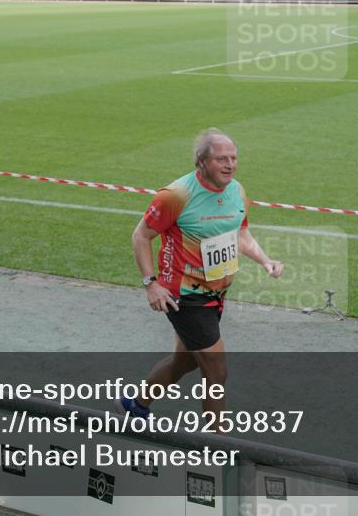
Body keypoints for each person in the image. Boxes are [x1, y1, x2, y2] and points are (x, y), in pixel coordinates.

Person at [121, 128, 283, 426]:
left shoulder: (237, 191)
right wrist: (150, 284)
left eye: (233, 158)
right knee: (216, 372)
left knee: (184, 362)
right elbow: (141, 236)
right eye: (221, 159)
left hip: (216, 295)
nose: (230, 164)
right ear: (202, 162)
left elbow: (241, 234)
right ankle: (213, 448)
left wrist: (265, 260)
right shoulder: (176, 196)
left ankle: (136, 403)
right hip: (184, 296)